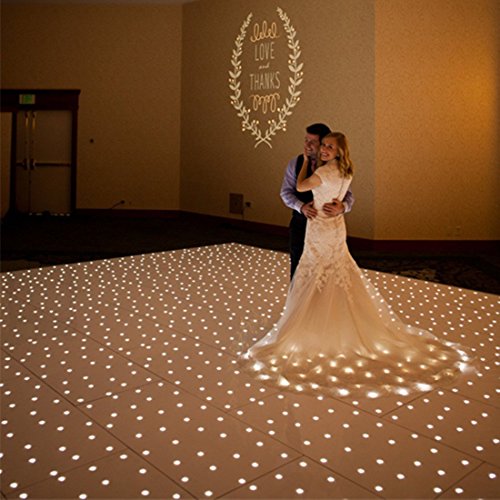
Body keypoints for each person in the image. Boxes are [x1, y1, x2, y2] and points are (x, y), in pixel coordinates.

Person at [243, 132, 472, 398]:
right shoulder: (343, 169)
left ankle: (313, 325)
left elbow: (308, 188)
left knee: (315, 272)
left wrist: (317, 176)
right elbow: (299, 193)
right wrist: (317, 205)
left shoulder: (323, 170)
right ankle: (323, 319)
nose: (321, 149)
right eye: (321, 145)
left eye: (327, 146)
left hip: (321, 229)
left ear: (337, 150)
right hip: (330, 227)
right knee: (329, 272)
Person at [280, 123, 354, 278]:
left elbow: (349, 195)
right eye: (306, 140)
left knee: (326, 269)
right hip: (301, 222)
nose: (307, 145)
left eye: (313, 142)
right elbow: (285, 192)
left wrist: (343, 207)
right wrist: (301, 207)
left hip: (326, 227)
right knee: (298, 265)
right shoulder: (295, 163)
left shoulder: (335, 168)